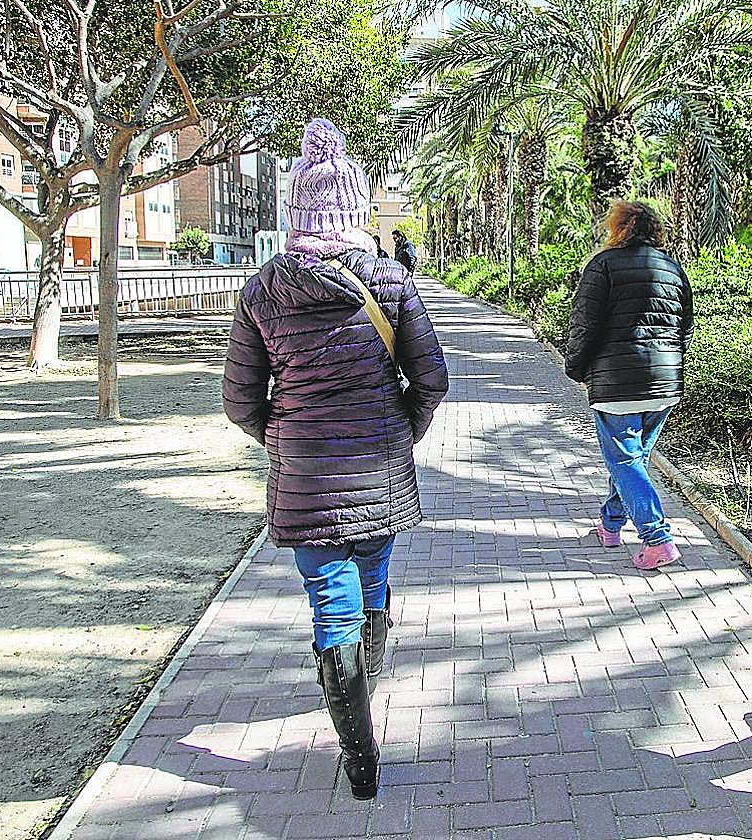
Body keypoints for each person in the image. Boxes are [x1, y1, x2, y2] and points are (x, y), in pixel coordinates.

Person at [223, 118, 449, 800]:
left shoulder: (262, 289)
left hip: (305, 481)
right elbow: (432, 378)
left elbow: (239, 401)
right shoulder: (390, 280)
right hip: (379, 472)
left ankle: (360, 760)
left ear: (297, 212)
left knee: (331, 606)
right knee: (373, 578)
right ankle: (366, 692)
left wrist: (286, 439)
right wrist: (403, 430)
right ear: (355, 212)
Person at [564, 200, 694, 571]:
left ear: (617, 227)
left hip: (617, 385)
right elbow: (685, 327)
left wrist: (575, 367)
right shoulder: (672, 267)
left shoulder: (603, 265)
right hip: (664, 385)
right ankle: (610, 525)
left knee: (624, 462)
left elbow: (584, 324)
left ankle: (658, 538)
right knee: (631, 461)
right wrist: (668, 365)